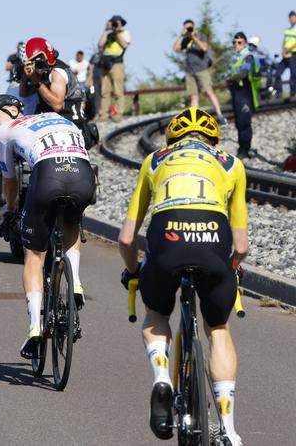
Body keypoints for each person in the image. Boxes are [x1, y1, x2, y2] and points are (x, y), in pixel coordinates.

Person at [118, 107, 247, 446]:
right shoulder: (232, 165)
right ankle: (229, 431)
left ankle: (162, 377)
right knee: (218, 327)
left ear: (171, 138)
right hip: (213, 240)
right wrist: (231, 270)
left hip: (167, 238)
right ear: (213, 139)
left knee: (157, 312)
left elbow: (127, 239)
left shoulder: (154, 162)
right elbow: (243, 246)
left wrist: (133, 273)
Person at [0, 94, 96, 358]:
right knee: (72, 222)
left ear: (12, 110)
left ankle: (35, 329)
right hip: (84, 175)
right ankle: (75, 284)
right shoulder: (58, 118)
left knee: (34, 254)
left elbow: (9, 181)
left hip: (48, 175)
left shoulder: (6, 131)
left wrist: (11, 210)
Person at [19, 37, 86, 131]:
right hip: (57, 124)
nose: (32, 66)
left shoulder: (57, 73)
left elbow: (57, 105)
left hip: (71, 126)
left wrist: (36, 81)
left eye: (33, 62)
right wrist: (26, 75)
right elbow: (24, 93)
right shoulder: (44, 72)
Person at [173, 19, 227, 125]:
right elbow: (175, 49)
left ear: (194, 27)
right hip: (190, 71)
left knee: (209, 92)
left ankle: (220, 115)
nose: (188, 30)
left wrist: (193, 37)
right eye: (186, 28)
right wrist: (181, 36)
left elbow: (204, 48)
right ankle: (194, 121)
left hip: (202, 70)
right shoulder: (185, 40)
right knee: (194, 96)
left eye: (190, 28)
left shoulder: (200, 36)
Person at [227, 32, 259, 159]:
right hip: (237, 91)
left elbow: (245, 72)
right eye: (234, 42)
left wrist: (231, 78)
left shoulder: (248, 56)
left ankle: (245, 149)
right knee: (238, 122)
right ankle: (242, 147)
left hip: (245, 91)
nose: (236, 45)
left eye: (239, 42)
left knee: (244, 121)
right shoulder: (235, 57)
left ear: (245, 43)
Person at [98, 15, 131, 122]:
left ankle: (118, 114)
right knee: (105, 90)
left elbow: (125, 45)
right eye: (113, 23)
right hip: (106, 63)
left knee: (118, 90)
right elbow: (100, 45)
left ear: (121, 23)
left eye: (117, 23)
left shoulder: (124, 33)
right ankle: (104, 114)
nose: (115, 24)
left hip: (117, 63)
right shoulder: (108, 34)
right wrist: (106, 31)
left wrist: (116, 32)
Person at [274, 10, 296, 101]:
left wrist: (289, 49)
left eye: (293, 17)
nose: (291, 19)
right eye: (290, 18)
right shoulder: (287, 30)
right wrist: (283, 50)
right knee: (278, 72)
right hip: (286, 55)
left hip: (293, 54)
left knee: (293, 74)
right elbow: (284, 41)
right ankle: (278, 91)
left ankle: (293, 91)